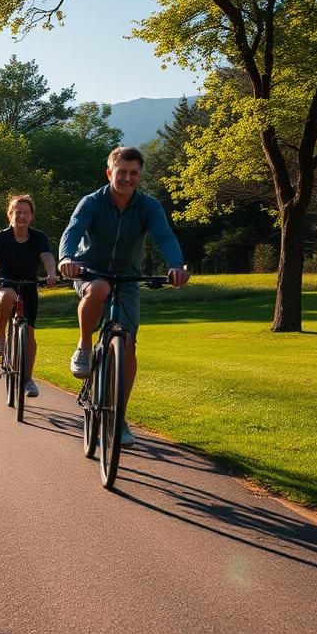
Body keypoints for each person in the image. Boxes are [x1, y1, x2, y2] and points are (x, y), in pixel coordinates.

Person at [58, 146, 190, 446]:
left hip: (128, 279)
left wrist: (176, 266)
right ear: (110, 172)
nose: (127, 178)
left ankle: (118, 418)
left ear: (140, 176)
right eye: (121, 172)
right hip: (89, 272)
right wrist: (67, 258)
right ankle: (84, 345)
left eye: (134, 174)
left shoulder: (149, 206)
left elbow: (165, 236)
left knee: (128, 344)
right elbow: (73, 230)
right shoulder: (92, 202)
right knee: (100, 289)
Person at [0, 194, 57, 398]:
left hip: (29, 285)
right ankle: (0, 336)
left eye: (26, 213)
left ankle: (27, 380)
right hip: (4, 283)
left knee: (30, 334)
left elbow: (48, 258)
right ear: (10, 215)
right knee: (7, 295)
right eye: (18, 212)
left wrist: (51, 274)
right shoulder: (1, 236)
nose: (22, 216)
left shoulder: (38, 237)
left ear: (32, 216)